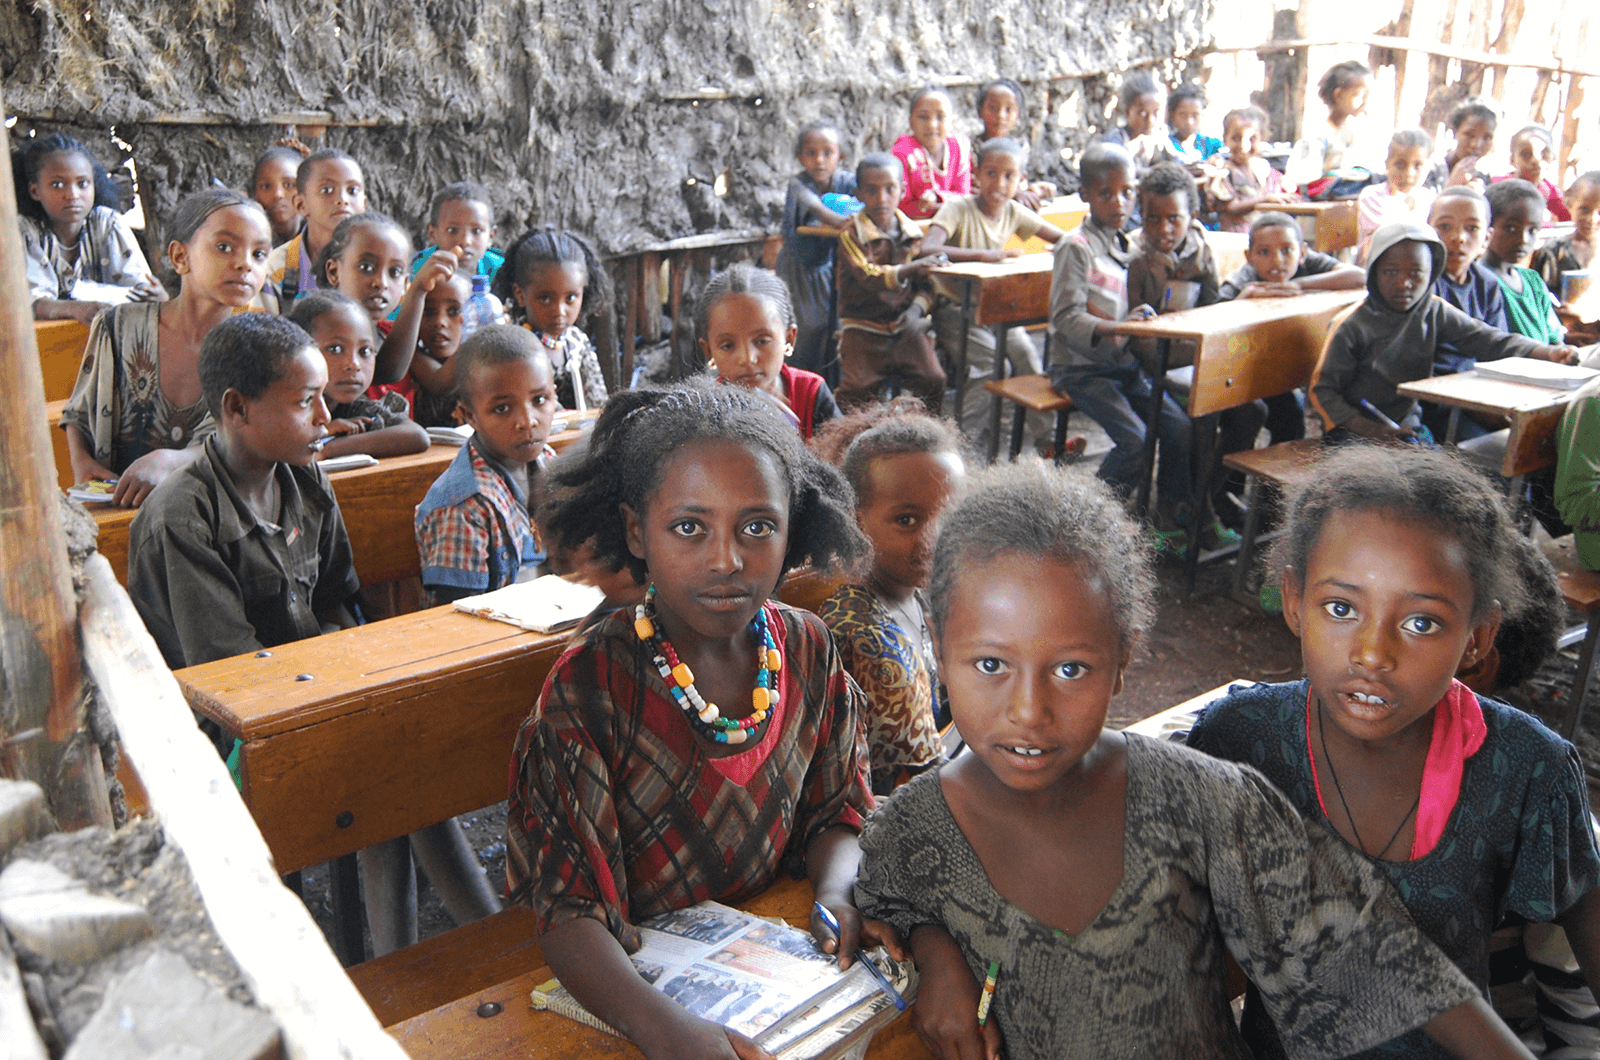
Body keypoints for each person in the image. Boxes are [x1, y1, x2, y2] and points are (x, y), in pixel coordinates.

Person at [853, 459, 1539, 1060]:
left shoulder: (1204, 800)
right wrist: (934, 945)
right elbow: (887, 895)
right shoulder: (912, 831)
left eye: (1071, 670)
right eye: (992, 664)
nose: (1029, 711)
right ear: (939, 650)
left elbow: (1372, 949)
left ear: (1123, 659)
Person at [508, 381, 892, 1060]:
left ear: (791, 527)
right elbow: (569, 913)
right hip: (631, 996)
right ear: (637, 531)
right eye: (690, 527)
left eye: (757, 527)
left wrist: (836, 890)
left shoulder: (805, 647)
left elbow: (838, 811)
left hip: (768, 962)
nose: (726, 560)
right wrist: (667, 1033)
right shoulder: (594, 685)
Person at [1188, 444, 1600, 1060]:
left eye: (1421, 623)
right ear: (1295, 601)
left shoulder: (1525, 768)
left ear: (1477, 637)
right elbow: (1190, 949)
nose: (1373, 654)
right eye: (1341, 608)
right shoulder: (1239, 740)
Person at [126, 312, 358, 693]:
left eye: (323, 396)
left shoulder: (306, 479)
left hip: (308, 685)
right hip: (226, 722)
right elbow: (232, 674)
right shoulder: (184, 518)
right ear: (236, 408)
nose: (325, 417)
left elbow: (338, 599)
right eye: (304, 402)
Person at [60, 188, 273, 507]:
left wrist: (173, 460)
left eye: (258, 254)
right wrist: (81, 462)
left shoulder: (257, 347)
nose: (245, 264)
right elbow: (78, 411)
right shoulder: (117, 327)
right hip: (120, 507)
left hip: (209, 512)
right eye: (225, 247)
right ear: (179, 257)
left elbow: (251, 441)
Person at [812, 399, 966, 793]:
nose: (933, 540)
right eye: (907, 520)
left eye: (947, 517)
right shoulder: (872, 642)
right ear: (856, 519)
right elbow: (926, 791)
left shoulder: (909, 589)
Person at [1309, 221, 1577, 443]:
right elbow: (1322, 392)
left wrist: (1547, 351)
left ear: (1432, 274)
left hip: (1405, 425)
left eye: (1417, 273)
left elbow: (1488, 339)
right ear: (1374, 273)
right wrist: (1371, 430)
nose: (1404, 283)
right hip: (1354, 431)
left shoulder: (1432, 309)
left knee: (1437, 484)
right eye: (1390, 272)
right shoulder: (1352, 324)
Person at [1050, 143, 1195, 533]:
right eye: (1105, 193)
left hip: (1123, 366)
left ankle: (1165, 513)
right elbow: (1064, 317)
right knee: (1135, 441)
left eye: (1128, 192)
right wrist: (1119, 327)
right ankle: (1088, 524)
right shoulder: (1074, 248)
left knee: (1180, 428)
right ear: (1085, 195)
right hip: (1082, 369)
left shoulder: (1128, 247)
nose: (1119, 202)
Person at [923, 138, 1066, 449]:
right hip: (954, 311)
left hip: (995, 310)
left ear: (1020, 180)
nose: (999, 184)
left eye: (1009, 176)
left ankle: (1049, 440)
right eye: (991, 173)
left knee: (1028, 356)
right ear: (976, 174)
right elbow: (928, 248)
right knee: (991, 365)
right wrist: (983, 256)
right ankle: (960, 445)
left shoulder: (1013, 211)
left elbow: (1062, 238)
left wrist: (1068, 248)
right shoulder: (957, 208)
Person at [414, 325, 557, 605]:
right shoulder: (463, 506)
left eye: (539, 400)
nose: (527, 421)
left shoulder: (549, 463)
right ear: (469, 415)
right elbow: (460, 620)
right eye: (502, 408)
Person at [833, 153, 947, 411]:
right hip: (863, 328)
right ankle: (849, 443)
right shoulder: (851, 234)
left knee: (934, 379)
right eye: (871, 191)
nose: (881, 199)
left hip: (905, 326)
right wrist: (911, 267)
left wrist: (916, 310)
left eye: (889, 189)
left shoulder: (914, 234)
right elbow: (869, 276)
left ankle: (925, 440)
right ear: (858, 194)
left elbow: (928, 284)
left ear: (903, 190)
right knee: (857, 391)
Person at [16, 132, 163, 324]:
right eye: (57, 184)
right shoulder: (24, 231)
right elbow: (27, 302)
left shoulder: (107, 223)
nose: (72, 195)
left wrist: (156, 295)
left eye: (82, 184)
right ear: (35, 191)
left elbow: (140, 290)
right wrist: (73, 308)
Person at [313, 211, 458, 401]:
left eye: (395, 272)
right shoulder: (318, 332)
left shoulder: (394, 333)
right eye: (366, 267)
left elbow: (440, 382)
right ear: (334, 271)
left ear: (405, 283)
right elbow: (386, 371)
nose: (381, 283)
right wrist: (418, 291)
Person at [699, 262, 839, 439]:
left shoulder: (811, 393)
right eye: (728, 345)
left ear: (789, 338)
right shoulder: (704, 409)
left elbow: (839, 460)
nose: (747, 358)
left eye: (761, 341)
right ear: (709, 350)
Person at [285, 291, 429, 460]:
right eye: (335, 349)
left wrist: (326, 449)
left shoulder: (353, 406)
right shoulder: (280, 403)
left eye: (365, 351)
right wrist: (317, 434)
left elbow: (416, 436)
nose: (354, 364)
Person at [492, 227, 612, 412]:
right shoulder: (513, 346)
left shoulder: (577, 342)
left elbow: (598, 404)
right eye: (545, 298)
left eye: (571, 298)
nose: (559, 311)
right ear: (520, 294)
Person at [775, 121, 858, 379]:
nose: (819, 161)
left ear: (840, 156)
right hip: (798, 268)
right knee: (806, 329)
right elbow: (820, 212)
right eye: (811, 153)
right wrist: (851, 223)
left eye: (828, 153)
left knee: (829, 328)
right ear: (801, 157)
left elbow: (868, 195)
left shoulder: (846, 182)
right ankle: (797, 383)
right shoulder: (799, 186)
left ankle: (824, 387)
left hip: (826, 267)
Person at [253, 148, 366, 311]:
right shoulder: (275, 270)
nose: (343, 200)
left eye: (352, 191)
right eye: (327, 190)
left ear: (364, 204)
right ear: (301, 205)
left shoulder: (381, 264)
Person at [1481, 179, 1565, 344]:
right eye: (1511, 228)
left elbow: (1555, 339)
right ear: (1487, 227)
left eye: (1532, 230)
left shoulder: (1533, 281)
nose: (1523, 239)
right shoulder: (1479, 282)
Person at [1217, 210, 1365, 301]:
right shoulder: (1241, 281)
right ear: (1249, 258)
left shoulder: (1307, 261)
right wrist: (1246, 296)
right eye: (1264, 252)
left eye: (1286, 250)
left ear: (1302, 253)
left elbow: (1359, 276)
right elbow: (1215, 318)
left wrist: (1297, 285)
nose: (1277, 260)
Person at [1285, 60, 1375, 190]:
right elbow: (1307, 182)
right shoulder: (1317, 136)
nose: (1365, 102)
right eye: (1360, 95)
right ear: (1338, 95)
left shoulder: (1355, 132)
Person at [971, 79, 1055, 210]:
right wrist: (1015, 193)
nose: (1000, 115)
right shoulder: (968, 148)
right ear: (980, 110)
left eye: (1009, 109)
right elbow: (976, 189)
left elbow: (1015, 183)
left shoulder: (1019, 148)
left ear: (1018, 115)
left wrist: (1032, 190)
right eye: (993, 108)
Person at [407, 270, 474, 428]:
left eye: (454, 311)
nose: (440, 322)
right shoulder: (411, 359)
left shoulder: (487, 366)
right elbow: (441, 381)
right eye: (428, 312)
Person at [1357, 130, 1438, 261]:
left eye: (1418, 165)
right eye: (1400, 164)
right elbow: (1388, 239)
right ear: (1387, 163)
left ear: (1428, 167)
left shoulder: (1428, 199)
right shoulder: (1372, 196)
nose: (1409, 173)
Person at [893, 86, 971, 220]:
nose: (932, 125)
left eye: (940, 117)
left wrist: (937, 202)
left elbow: (963, 195)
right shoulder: (902, 153)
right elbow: (900, 207)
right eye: (923, 117)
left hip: (953, 221)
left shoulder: (959, 147)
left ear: (952, 122)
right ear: (911, 121)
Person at [1212, 107, 1294, 233]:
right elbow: (1232, 207)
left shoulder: (1263, 169)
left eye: (1252, 139)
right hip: (1234, 238)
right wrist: (1266, 199)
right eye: (1236, 138)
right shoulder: (1223, 172)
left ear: (1263, 138)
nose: (1244, 146)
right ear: (1225, 139)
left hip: (1261, 236)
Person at [411, 181, 504, 285]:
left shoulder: (502, 270)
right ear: (432, 233)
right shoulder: (418, 270)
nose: (465, 241)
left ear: (491, 236)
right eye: (452, 230)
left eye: (476, 231)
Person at [1532, 170, 1600, 297]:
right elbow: (1539, 302)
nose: (1592, 219)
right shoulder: (1553, 252)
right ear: (1570, 205)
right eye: (1584, 209)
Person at [1096, 71, 1171, 174]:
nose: (1150, 120)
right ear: (1127, 113)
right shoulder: (1116, 140)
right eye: (1143, 114)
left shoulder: (1158, 140)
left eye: (1156, 113)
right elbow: (1119, 172)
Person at [1492, 125, 1570, 223]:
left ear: (1553, 157)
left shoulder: (1553, 194)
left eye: (1544, 153)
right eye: (1526, 155)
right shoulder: (1498, 188)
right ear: (1512, 160)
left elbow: (1570, 221)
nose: (1536, 160)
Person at [1426, 99, 1497, 192]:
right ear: (1455, 132)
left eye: (1486, 138)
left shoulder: (1484, 179)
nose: (1476, 144)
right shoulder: (1431, 170)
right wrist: (1452, 185)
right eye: (1469, 135)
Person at [249, 143, 308, 247]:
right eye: (266, 186)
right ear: (254, 194)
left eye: (289, 185)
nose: (278, 194)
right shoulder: (248, 239)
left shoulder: (322, 241)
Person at [1165, 84, 1221, 165]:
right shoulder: (1167, 147)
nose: (1189, 122)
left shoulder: (1212, 145)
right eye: (1183, 115)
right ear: (1172, 115)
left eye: (1195, 115)